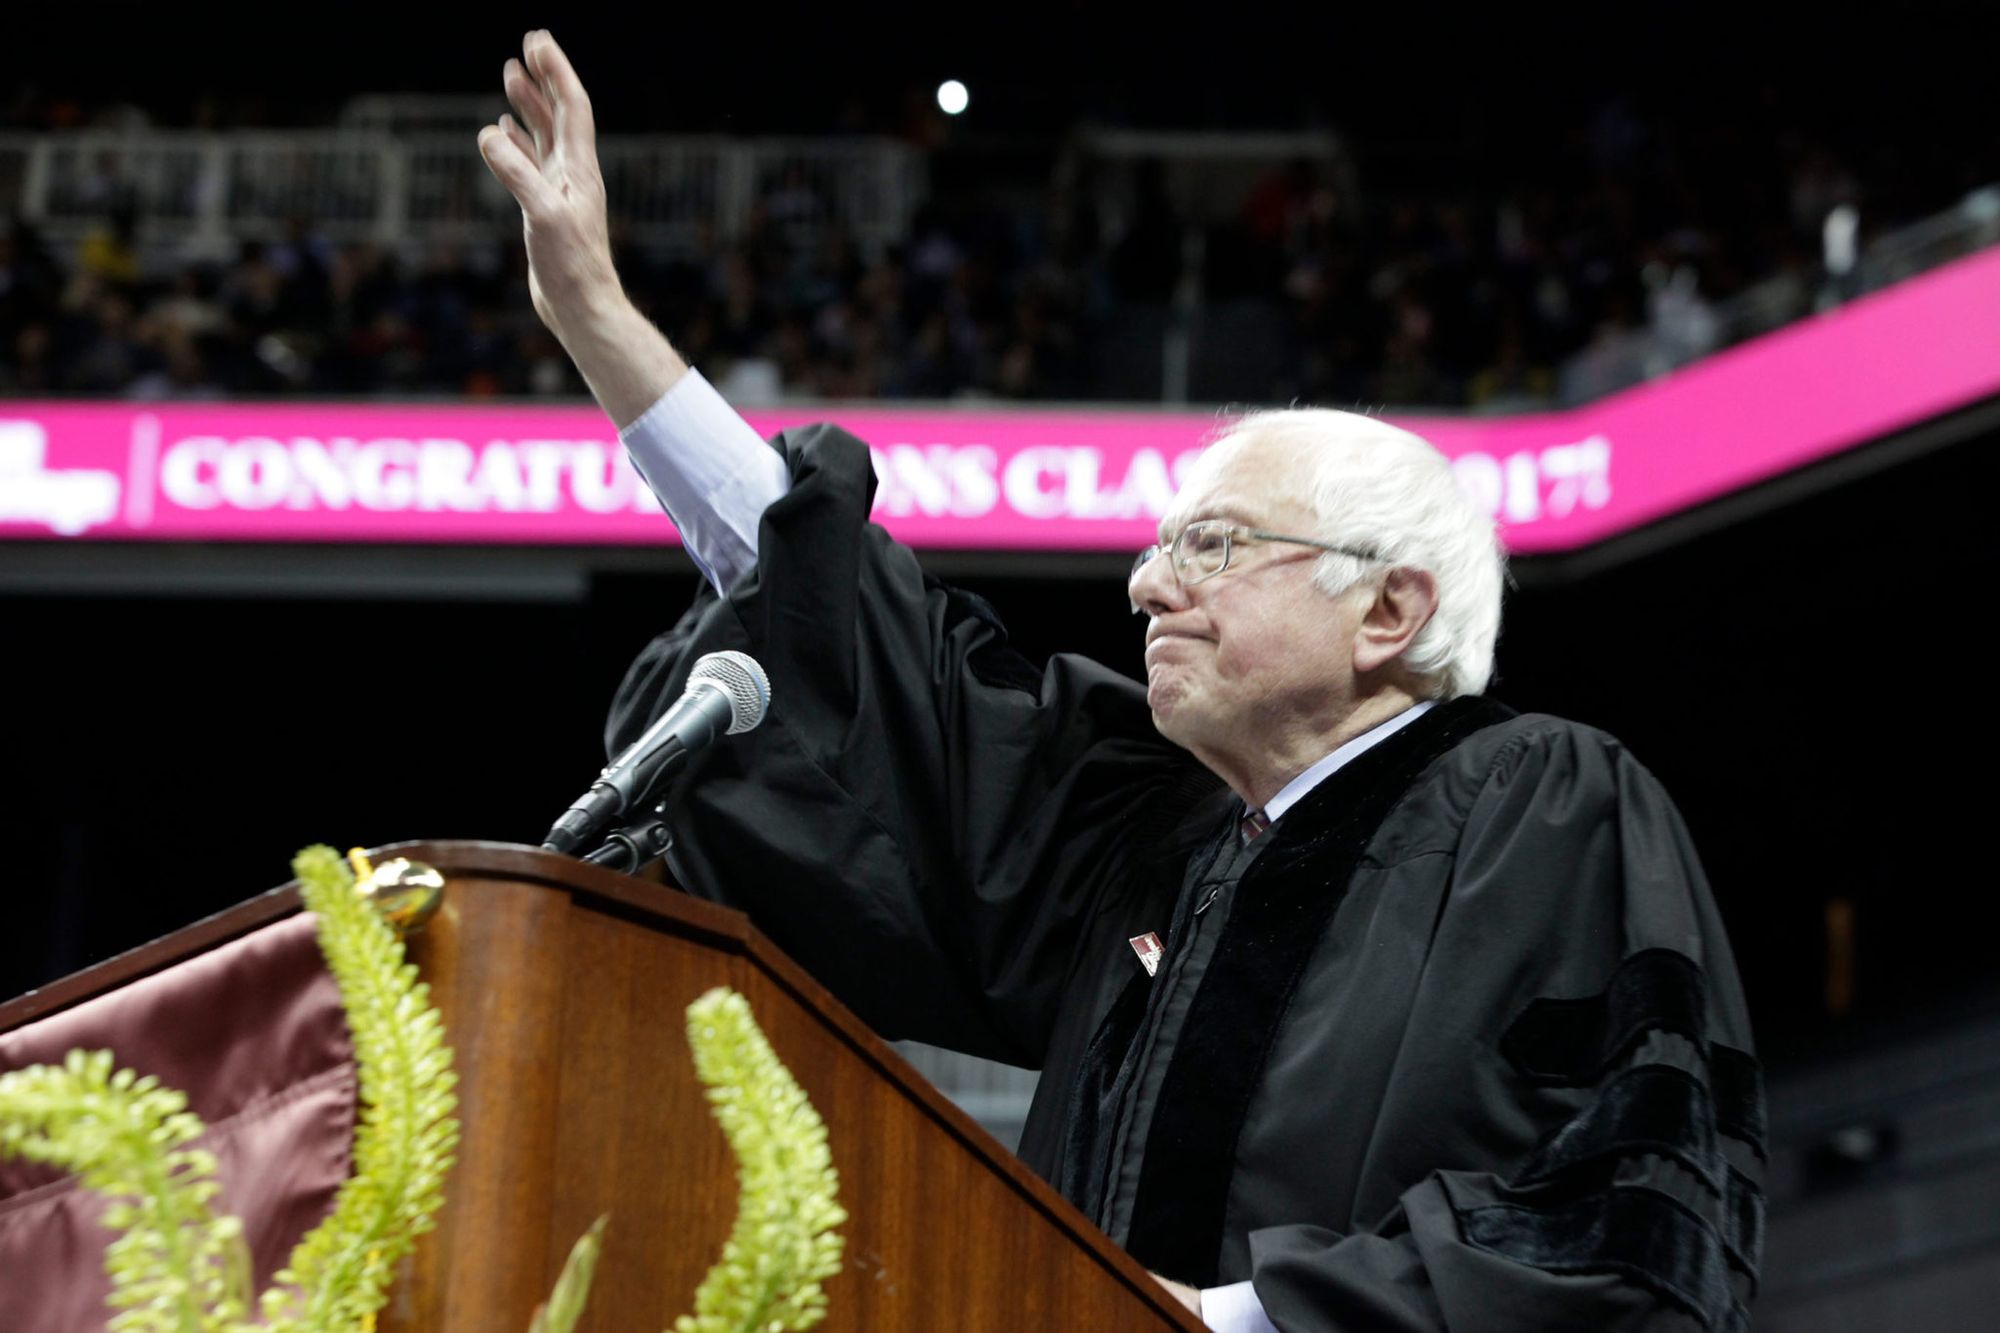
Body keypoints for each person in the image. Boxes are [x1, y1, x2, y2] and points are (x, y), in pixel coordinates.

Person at [478, 31, 1764, 1331]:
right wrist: (596, 314)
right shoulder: (1153, 845)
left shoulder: (1538, 811)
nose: (1149, 587)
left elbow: (1624, 1215)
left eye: (1213, 546)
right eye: (1158, 550)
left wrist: (1225, 1319)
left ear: (1390, 607)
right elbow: (860, 643)